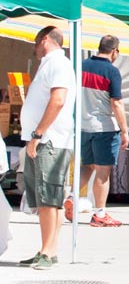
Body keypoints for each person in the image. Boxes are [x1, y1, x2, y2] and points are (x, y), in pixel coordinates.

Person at [19, 26, 76, 270]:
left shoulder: (58, 64)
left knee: (48, 198)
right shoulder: (49, 64)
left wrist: (38, 133)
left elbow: (58, 100)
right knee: (46, 198)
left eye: (35, 42)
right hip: (44, 139)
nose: (34, 47)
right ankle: (47, 249)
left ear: (45, 40)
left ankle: (47, 251)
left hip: (50, 140)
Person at [74, 34, 129, 227]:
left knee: (87, 166)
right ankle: (100, 213)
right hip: (104, 128)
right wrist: (124, 130)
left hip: (83, 126)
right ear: (114, 51)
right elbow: (116, 103)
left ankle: (72, 196)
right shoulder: (112, 72)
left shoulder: (81, 66)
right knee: (102, 172)